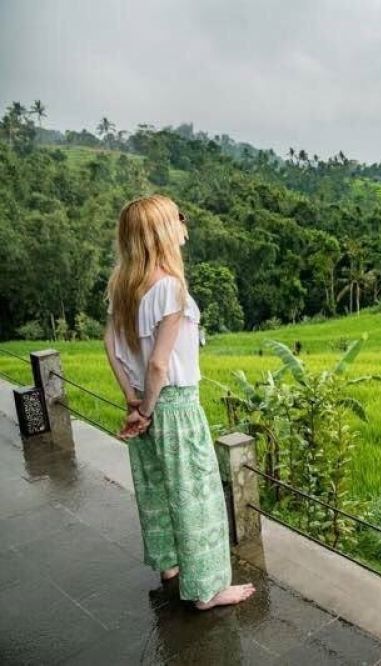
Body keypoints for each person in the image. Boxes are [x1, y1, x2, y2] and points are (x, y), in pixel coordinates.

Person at [102, 194, 255, 610]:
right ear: (164, 232)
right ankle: (207, 590)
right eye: (179, 218)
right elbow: (158, 364)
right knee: (196, 494)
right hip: (175, 407)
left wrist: (133, 404)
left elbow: (112, 347)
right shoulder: (170, 288)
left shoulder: (122, 285)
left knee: (156, 488)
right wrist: (148, 409)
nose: (185, 224)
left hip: (142, 405)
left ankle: (169, 565)